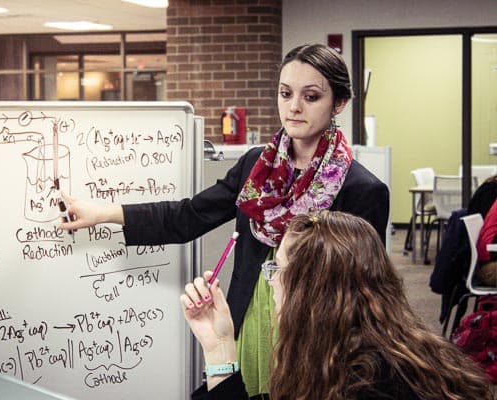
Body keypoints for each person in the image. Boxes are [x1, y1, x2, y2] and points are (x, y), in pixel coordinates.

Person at [61, 44, 389, 398]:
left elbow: (366, 293)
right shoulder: (256, 166)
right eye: (285, 93)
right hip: (249, 318)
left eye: (311, 96)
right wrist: (105, 214)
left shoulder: (363, 189)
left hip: (317, 334)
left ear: (338, 103)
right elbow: (188, 216)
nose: (293, 107)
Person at [181, 211, 493, 400]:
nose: (270, 282)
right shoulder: (376, 352)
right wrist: (220, 347)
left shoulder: (363, 383)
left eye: (277, 270)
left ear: (312, 289)